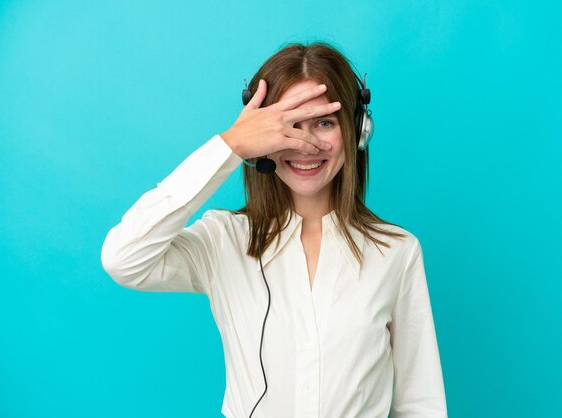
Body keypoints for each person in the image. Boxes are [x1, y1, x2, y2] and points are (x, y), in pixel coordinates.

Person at [101, 42, 448, 418]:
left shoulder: (396, 252)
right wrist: (231, 144)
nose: (306, 143)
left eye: (325, 122)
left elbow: (421, 403)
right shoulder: (223, 240)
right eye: (288, 125)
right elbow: (124, 258)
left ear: (358, 131)